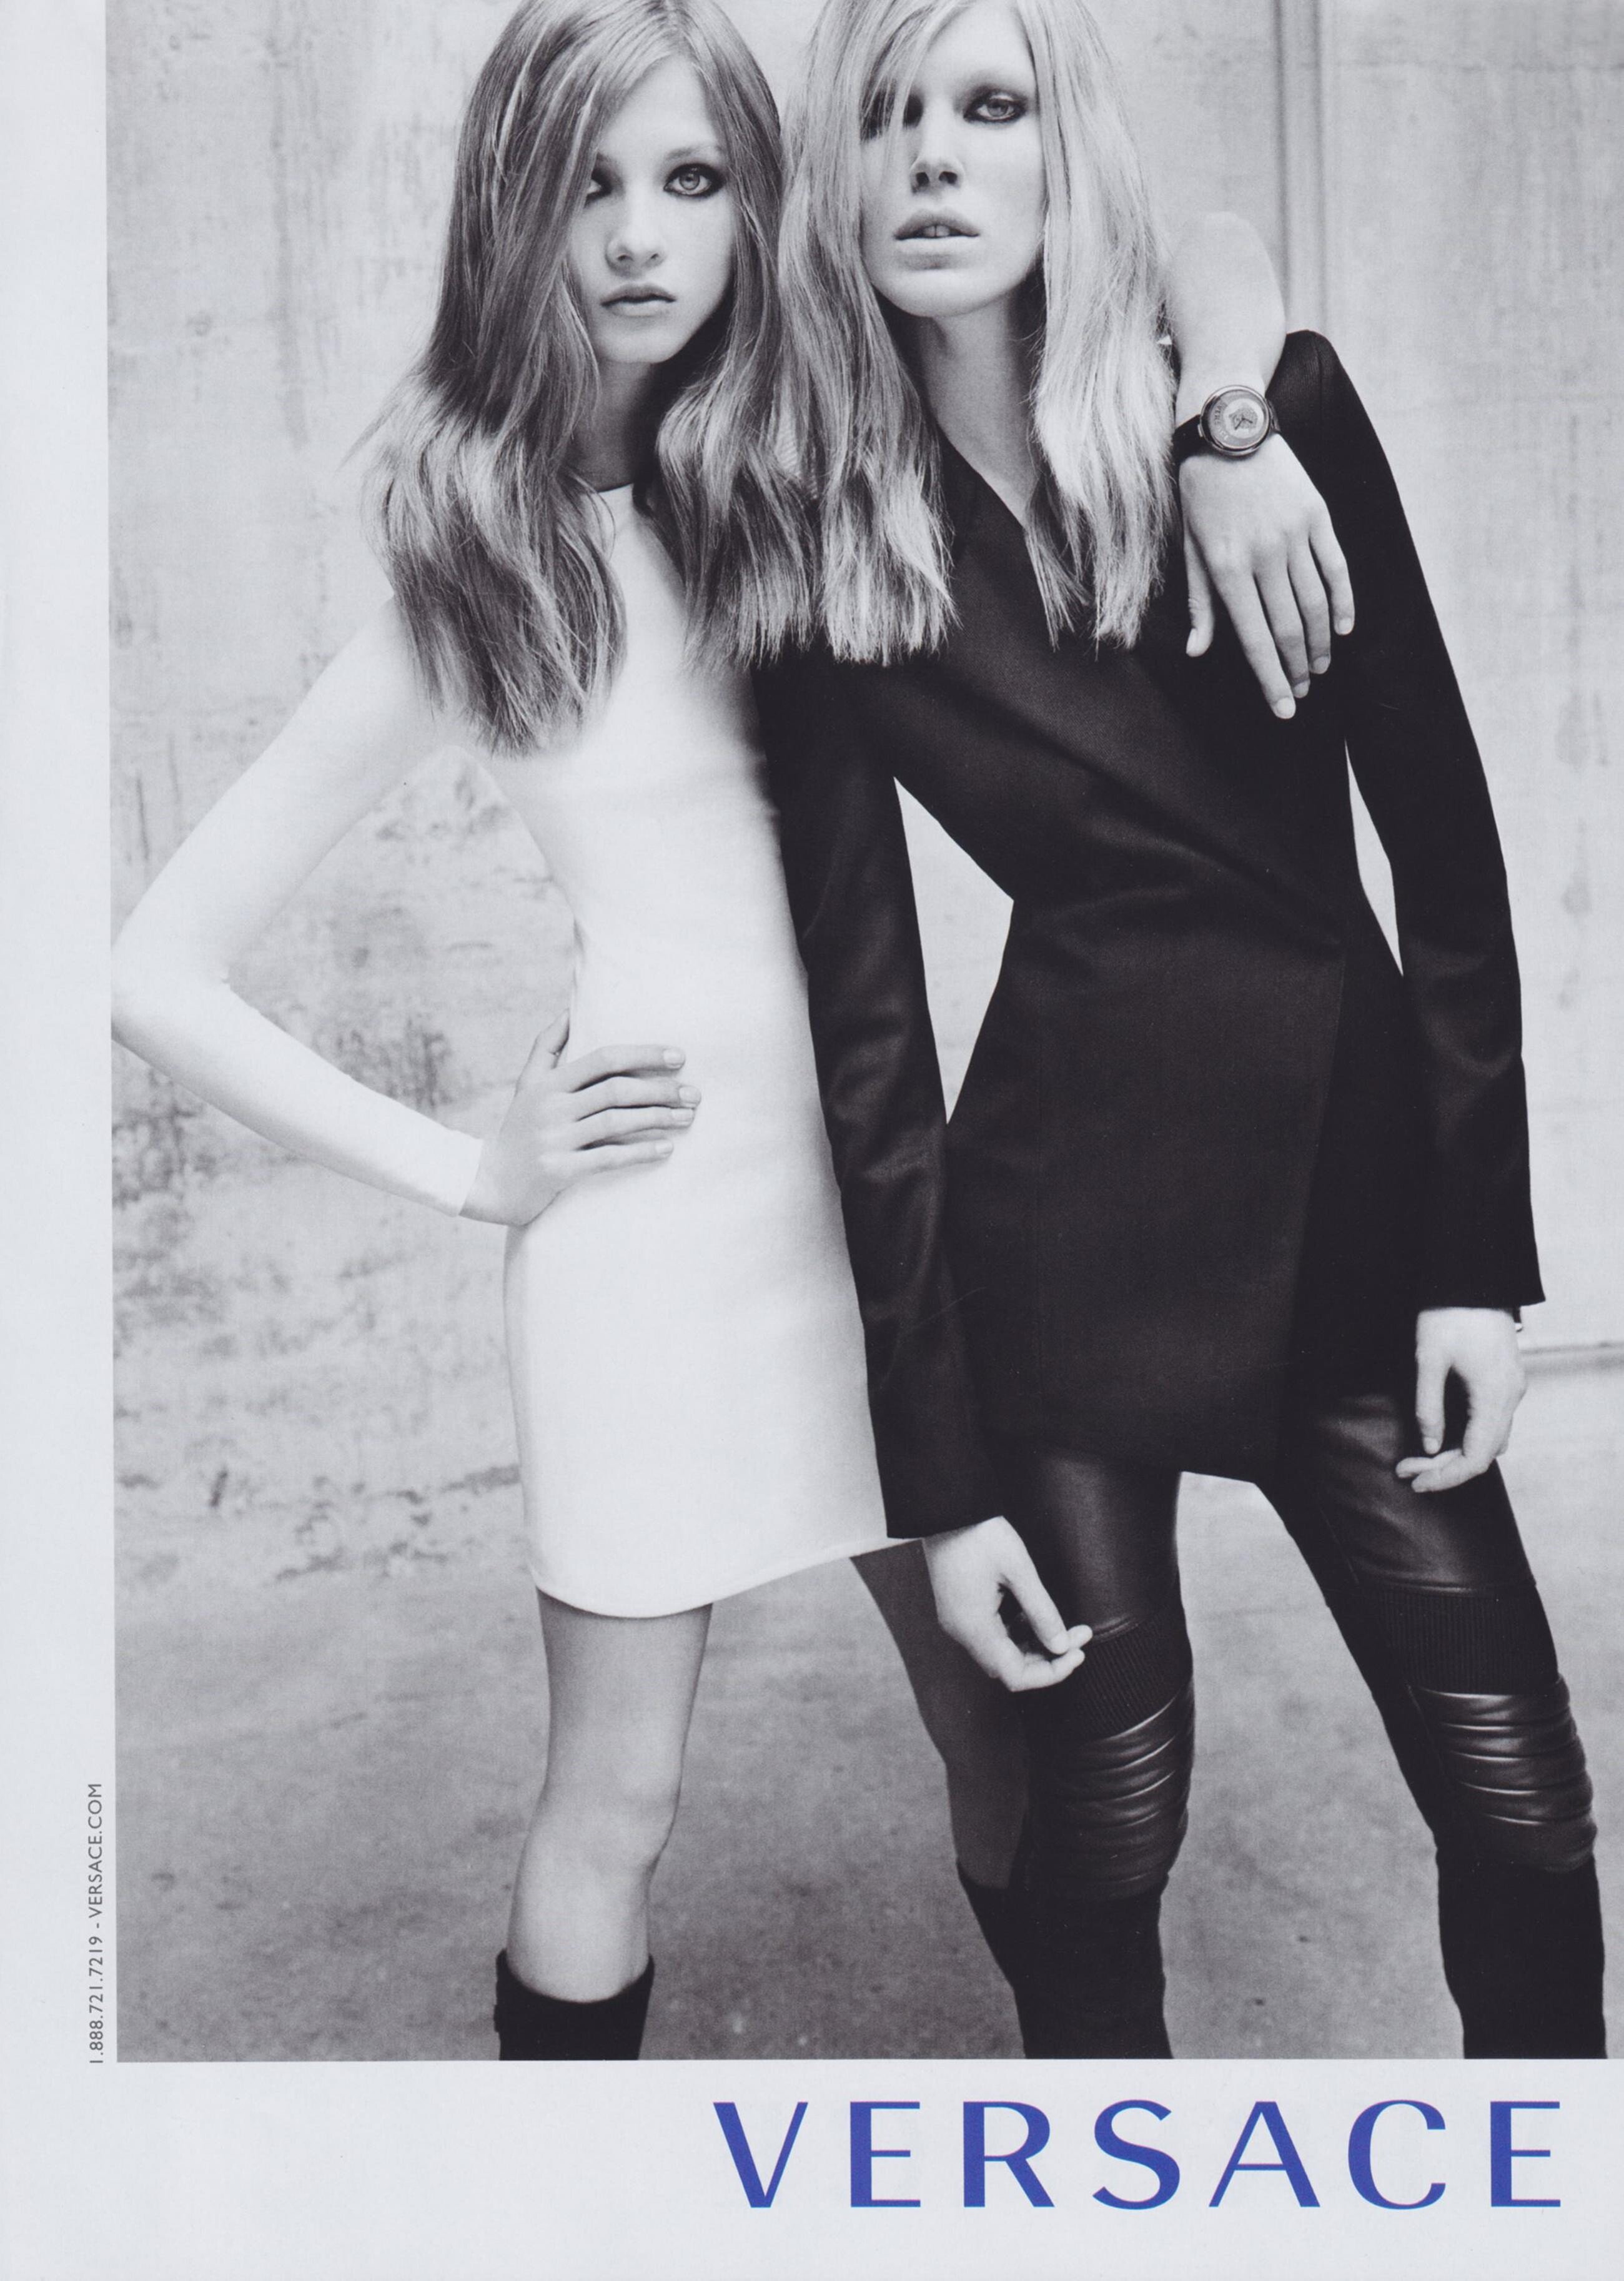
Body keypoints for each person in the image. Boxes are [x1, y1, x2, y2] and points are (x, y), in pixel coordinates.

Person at [112, 0, 1353, 2061]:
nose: (635, 235)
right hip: (644, 1258)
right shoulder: (478, 573)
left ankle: (1099, 2152)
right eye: (584, 183)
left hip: (881, 1239)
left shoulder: (826, 481)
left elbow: (1202, 243)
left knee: (1009, 1727)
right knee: (619, 1797)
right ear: (510, 211)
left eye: (690, 179)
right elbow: (152, 965)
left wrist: (1230, 422)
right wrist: (474, 1170)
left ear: (756, 208)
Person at [763, 0, 1605, 2059]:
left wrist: (1475, 1260)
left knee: (1519, 1801)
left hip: (1346, 1208)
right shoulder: (826, 552)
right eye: (887, 117)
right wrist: (939, 1476)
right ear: (837, 185)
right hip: (1059, 1244)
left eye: (990, 106)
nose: (934, 155)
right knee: (1107, 1825)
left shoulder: (1255, 420)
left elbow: (1446, 854)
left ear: (1066, 154)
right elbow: (869, 1045)